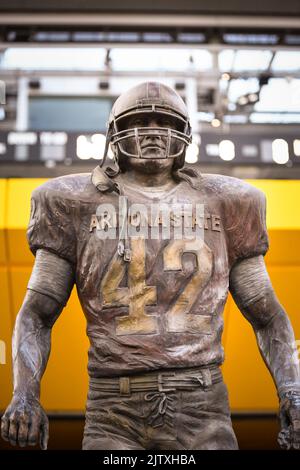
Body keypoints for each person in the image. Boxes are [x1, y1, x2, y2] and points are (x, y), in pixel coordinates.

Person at [1, 81, 300, 450]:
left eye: (165, 123)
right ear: (115, 135)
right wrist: (26, 394)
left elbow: (266, 314)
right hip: (113, 404)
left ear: (184, 136)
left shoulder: (229, 202)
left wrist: (292, 390)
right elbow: (37, 313)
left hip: (202, 401)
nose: (154, 132)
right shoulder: (72, 202)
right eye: (140, 121)